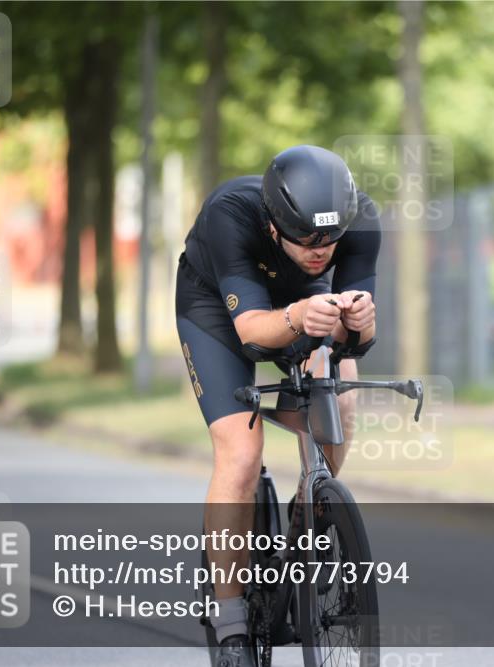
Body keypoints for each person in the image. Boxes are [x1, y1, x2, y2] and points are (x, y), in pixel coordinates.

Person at [175, 145, 380, 666]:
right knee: (242, 452)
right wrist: (298, 318)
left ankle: (311, 509)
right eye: (308, 237)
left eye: (330, 238)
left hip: (303, 302)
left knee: (343, 392)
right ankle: (230, 625)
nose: (322, 248)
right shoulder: (231, 215)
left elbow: (352, 340)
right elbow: (250, 333)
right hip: (217, 310)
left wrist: (359, 326)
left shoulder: (356, 222)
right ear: (274, 226)